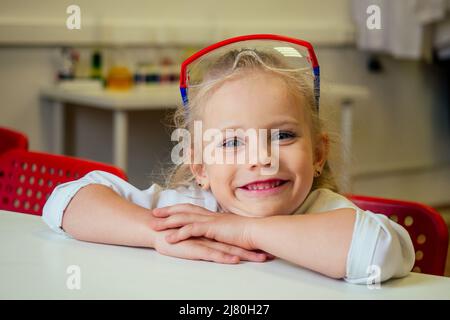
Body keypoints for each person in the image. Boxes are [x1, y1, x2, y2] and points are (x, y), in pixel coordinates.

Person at [43, 34, 415, 284]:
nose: (260, 158)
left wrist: (244, 231)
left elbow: (380, 251)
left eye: (283, 135)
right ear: (201, 168)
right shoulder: (191, 211)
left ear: (318, 154)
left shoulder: (324, 214)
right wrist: (154, 234)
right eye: (233, 142)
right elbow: (64, 201)